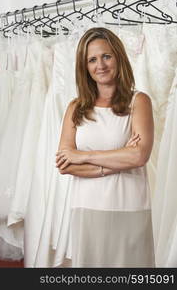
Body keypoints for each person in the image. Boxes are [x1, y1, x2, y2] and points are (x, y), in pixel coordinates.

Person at [56, 27, 155, 267]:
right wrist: (118, 161)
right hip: (86, 207)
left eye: (106, 56)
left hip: (129, 206)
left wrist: (84, 156)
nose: (100, 65)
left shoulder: (138, 101)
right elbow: (65, 164)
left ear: (118, 57)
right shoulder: (75, 107)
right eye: (92, 59)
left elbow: (140, 155)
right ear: (85, 67)